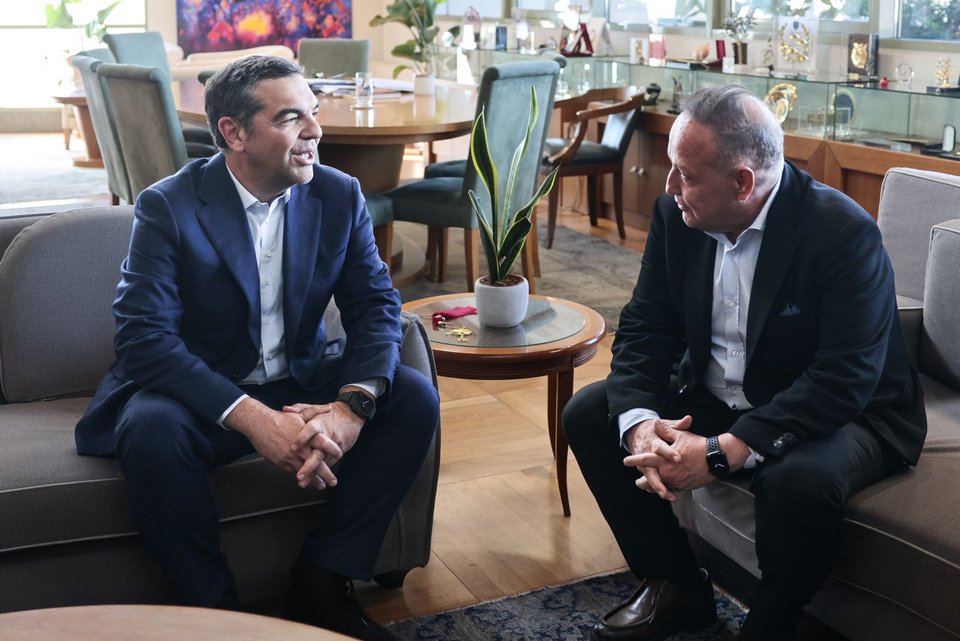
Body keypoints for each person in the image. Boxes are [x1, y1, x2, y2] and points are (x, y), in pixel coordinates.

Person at [75, 55, 439, 641]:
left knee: (414, 398)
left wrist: (350, 408)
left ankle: (322, 584)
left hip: (300, 378)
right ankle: (216, 616)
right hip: (204, 392)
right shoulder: (169, 204)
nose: (315, 131)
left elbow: (375, 307)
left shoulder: (338, 195)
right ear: (234, 133)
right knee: (151, 430)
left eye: (313, 113)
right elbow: (143, 338)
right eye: (291, 118)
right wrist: (254, 420)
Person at [564, 84, 926, 641]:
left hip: (848, 411)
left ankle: (771, 626)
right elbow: (645, 328)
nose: (669, 186)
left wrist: (721, 453)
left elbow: (844, 377)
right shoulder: (676, 216)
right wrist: (641, 426)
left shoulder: (842, 232)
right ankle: (676, 587)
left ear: (742, 183)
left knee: (797, 482)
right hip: (726, 392)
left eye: (686, 174)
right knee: (591, 413)